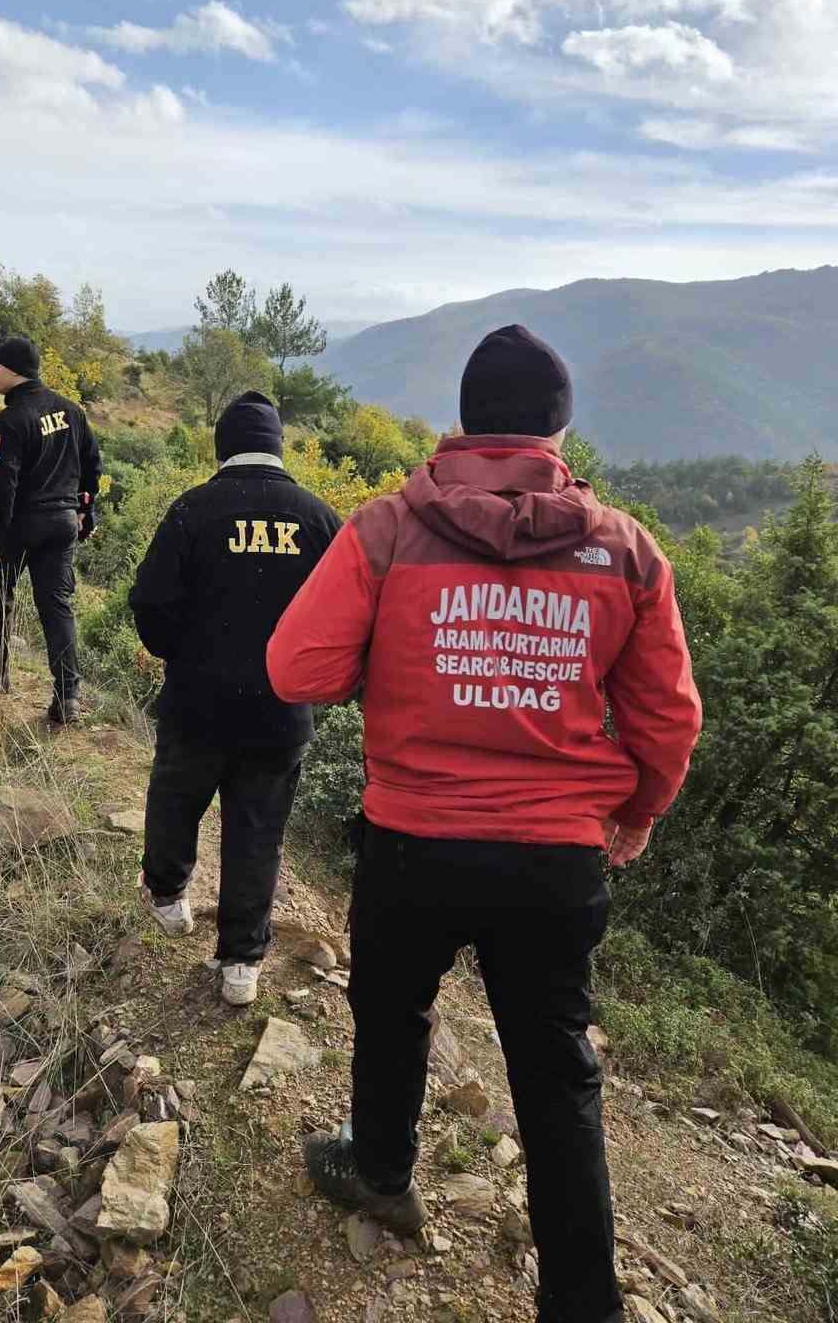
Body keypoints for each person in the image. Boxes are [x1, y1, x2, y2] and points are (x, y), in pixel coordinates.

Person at [267, 325, 702, 1323]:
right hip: (554, 857)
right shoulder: (627, 551)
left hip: (414, 841)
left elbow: (297, 669)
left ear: (461, 425)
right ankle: (581, 1302)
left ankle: (380, 1169)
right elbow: (669, 718)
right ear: (561, 430)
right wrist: (634, 813)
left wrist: (387, 658)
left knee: (390, 1008)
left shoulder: (384, 531)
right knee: (556, 1072)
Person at [129, 391, 342, 1006]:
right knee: (257, 831)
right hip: (280, 714)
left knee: (175, 801)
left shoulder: (192, 511)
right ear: (279, 447)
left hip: (197, 702)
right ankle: (241, 963)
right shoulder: (319, 518)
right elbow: (349, 621)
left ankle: (168, 898)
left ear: (222, 446)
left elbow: (151, 605)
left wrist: (183, 654)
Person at [0, 335, 101, 726]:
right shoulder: (71, 411)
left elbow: (0, 487)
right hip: (62, 524)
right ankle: (68, 699)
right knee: (57, 610)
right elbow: (92, 466)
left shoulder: (10, 420)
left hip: (20, 526)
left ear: (13, 370)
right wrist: (85, 512)